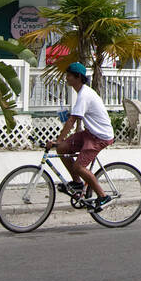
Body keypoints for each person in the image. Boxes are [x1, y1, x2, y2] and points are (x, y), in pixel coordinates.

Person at [49, 62, 115, 209]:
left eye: (69, 75)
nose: (66, 78)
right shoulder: (81, 92)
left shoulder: (84, 94)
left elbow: (72, 120)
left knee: (79, 166)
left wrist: (58, 140)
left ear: (78, 77)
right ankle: (78, 183)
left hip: (100, 136)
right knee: (62, 149)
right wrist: (60, 143)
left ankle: (103, 196)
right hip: (90, 133)